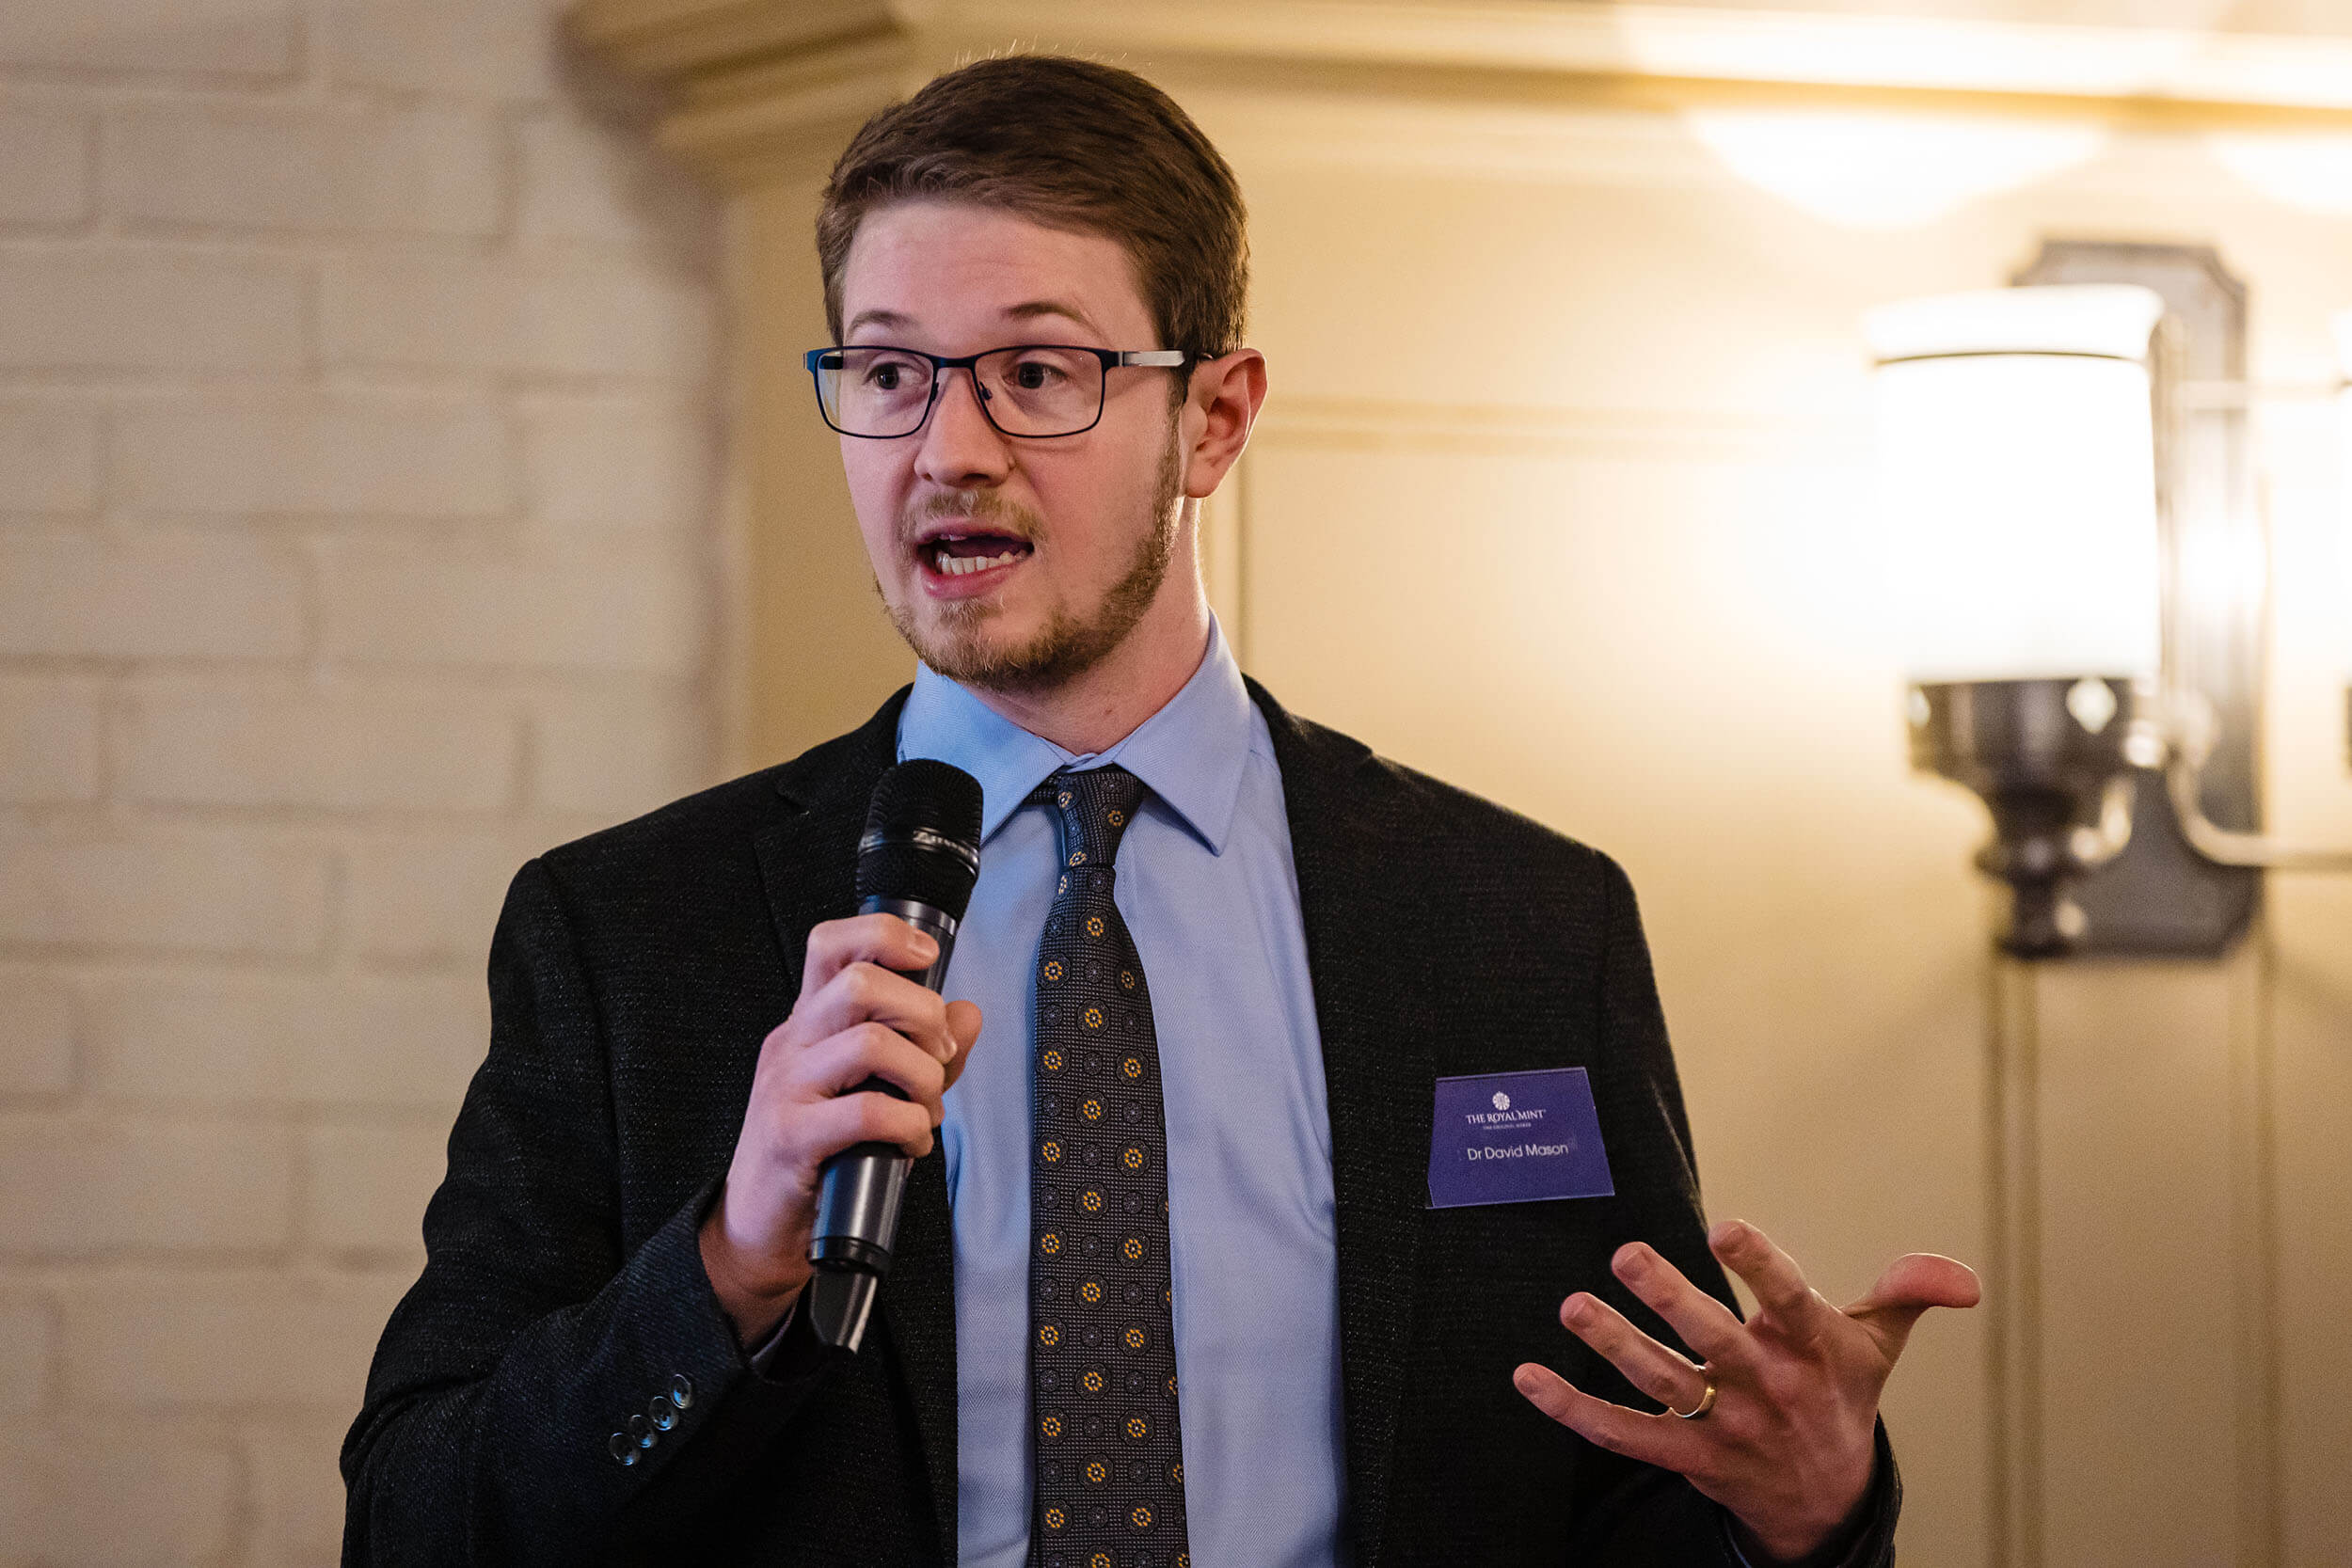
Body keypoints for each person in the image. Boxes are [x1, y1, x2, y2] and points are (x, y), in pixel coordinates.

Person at [342, 54, 1978, 1568]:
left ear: (1215, 417)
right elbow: (417, 1516)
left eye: (1036, 372)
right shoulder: (631, 932)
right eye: (892, 372)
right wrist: (727, 1268)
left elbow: (1619, 1495)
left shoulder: (1520, 924)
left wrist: (1810, 1509)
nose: (946, 451)